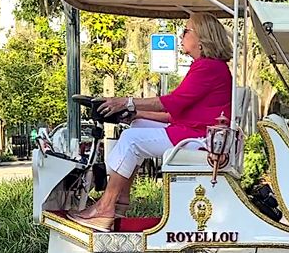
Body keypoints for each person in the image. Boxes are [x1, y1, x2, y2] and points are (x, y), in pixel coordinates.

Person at [69, 13, 234, 230]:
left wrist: (126, 102)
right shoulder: (209, 67)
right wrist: (136, 113)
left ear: (202, 39)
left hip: (198, 139)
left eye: (186, 31)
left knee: (131, 139)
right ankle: (120, 202)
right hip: (195, 132)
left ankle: (105, 207)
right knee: (136, 127)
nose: (181, 35)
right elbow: (176, 112)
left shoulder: (208, 67)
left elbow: (170, 103)